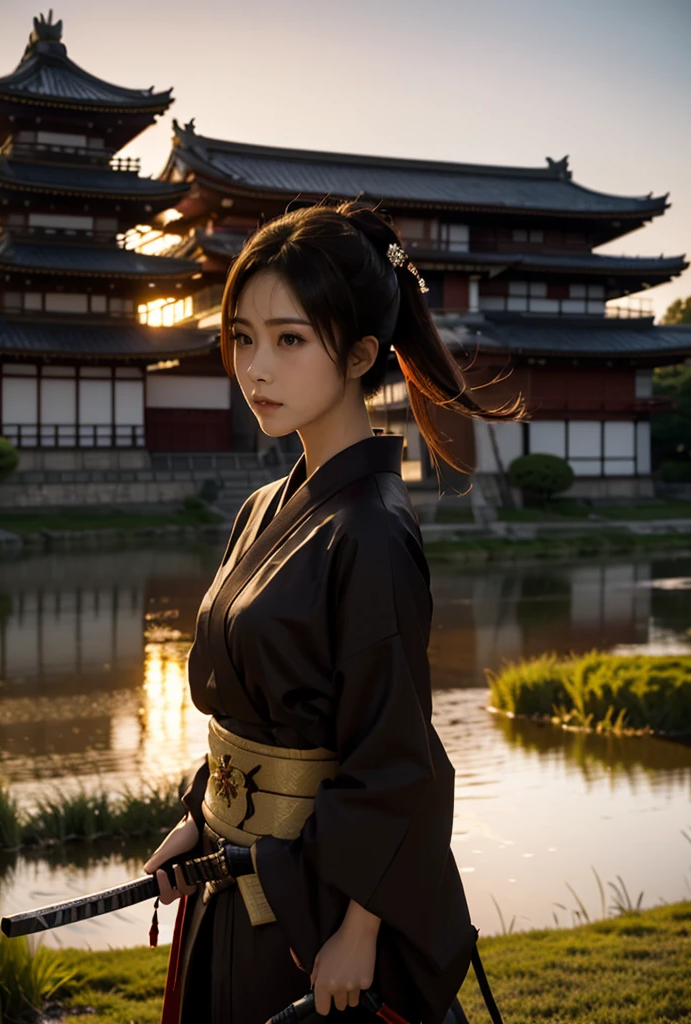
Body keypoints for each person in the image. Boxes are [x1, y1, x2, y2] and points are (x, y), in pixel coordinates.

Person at [144, 200, 523, 1024]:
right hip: (237, 875)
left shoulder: (374, 533)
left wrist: (360, 930)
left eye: (289, 339)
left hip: (317, 908)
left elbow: (396, 757)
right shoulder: (259, 508)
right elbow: (251, 714)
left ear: (356, 354)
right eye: (241, 337)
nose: (255, 369)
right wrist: (199, 821)